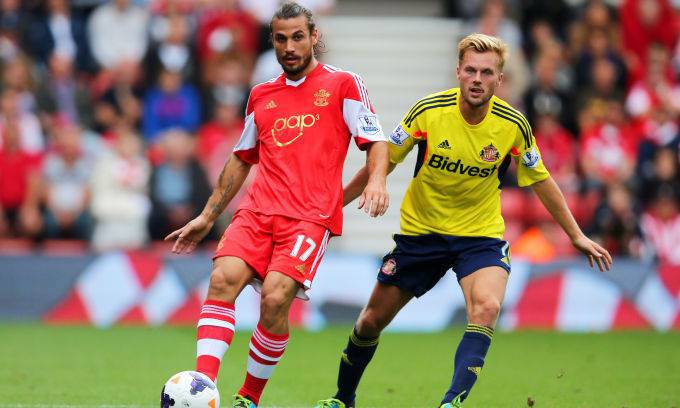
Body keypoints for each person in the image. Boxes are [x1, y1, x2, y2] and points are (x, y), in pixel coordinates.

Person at [314, 33, 613, 408]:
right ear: (458, 72)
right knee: (370, 321)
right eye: (470, 70)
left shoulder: (513, 125)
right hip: (422, 234)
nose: (477, 79)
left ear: (499, 79)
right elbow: (384, 158)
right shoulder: (428, 111)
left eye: (486, 73)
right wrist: (336, 206)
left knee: (487, 308)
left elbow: (541, 180)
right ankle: (343, 398)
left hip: (479, 237)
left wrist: (576, 235)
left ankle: (451, 403)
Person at [164, 3, 389, 407]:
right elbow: (241, 158)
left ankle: (248, 397)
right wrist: (208, 215)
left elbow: (376, 141)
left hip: (308, 219)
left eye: (298, 37)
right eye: (281, 38)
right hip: (256, 211)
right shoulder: (261, 94)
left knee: (274, 297)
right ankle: (203, 388)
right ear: (272, 42)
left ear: (314, 37)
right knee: (222, 280)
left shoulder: (343, 84)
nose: (289, 46)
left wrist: (376, 180)